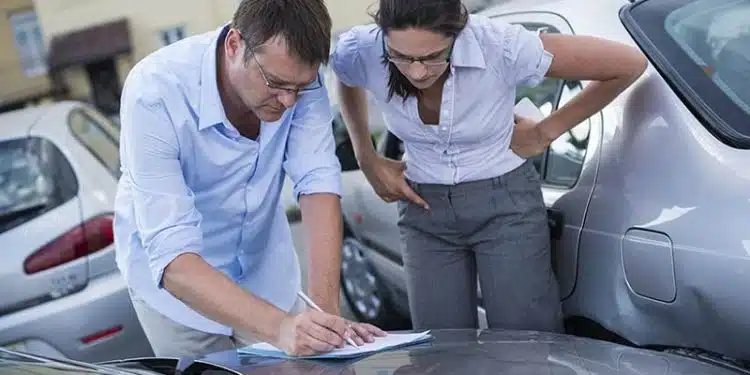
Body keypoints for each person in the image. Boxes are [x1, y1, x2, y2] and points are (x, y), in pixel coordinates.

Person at [331, 0, 647, 331]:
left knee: (526, 345)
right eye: (401, 57)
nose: (417, 71)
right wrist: (365, 155)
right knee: (442, 348)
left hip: (505, 208)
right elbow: (347, 75)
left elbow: (628, 63)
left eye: (432, 57)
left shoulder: (499, 44)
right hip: (423, 211)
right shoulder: (362, 47)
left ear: (457, 34)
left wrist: (546, 130)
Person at [114, 0, 385, 358]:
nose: (288, 101)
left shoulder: (299, 80)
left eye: (299, 88)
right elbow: (173, 258)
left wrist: (325, 319)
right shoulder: (153, 93)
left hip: (266, 275)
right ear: (234, 45)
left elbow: (318, 184)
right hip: (178, 299)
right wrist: (282, 328)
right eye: (275, 83)